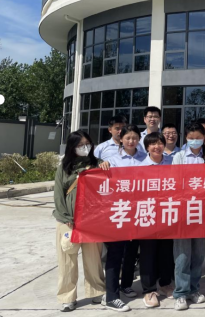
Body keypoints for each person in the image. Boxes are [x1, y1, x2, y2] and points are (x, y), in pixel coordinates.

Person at [54, 130, 106, 312]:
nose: (85, 147)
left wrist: (105, 166)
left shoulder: (98, 164)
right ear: (72, 147)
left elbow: (107, 188)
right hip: (68, 222)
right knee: (67, 260)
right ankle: (67, 297)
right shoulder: (64, 168)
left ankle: (97, 291)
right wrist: (65, 217)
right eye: (80, 145)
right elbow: (59, 194)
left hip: (92, 222)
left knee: (93, 259)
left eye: (87, 144)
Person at [99, 125, 147, 312]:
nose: (131, 141)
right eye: (128, 138)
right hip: (119, 212)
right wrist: (101, 167)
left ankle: (126, 284)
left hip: (139, 211)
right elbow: (101, 183)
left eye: (135, 138)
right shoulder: (111, 161)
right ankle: (111, 296)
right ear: (121, 139)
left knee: (132, 251)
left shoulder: (144, 158)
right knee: (115, 253)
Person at [171, 123, 205, 311]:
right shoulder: (179, 157)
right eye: (191, 138)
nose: (194, 141)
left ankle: (194, 289)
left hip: (202, 212)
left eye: (198, 138)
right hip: (183, 211)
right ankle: (180, 293)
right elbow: (174, 182)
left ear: (204, 138)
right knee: (182, 255)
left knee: (198, 253)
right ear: (186, 138)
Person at [138, 132, 175, 300]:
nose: (157, 147)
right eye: (152, 144)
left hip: (167, 213)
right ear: (147, 147)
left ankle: (165, 283)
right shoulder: (140, 167)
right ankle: (149, 289)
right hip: (148, 214)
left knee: (166, 251)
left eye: (160, 143)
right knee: (148, 252)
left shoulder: (172, 163)